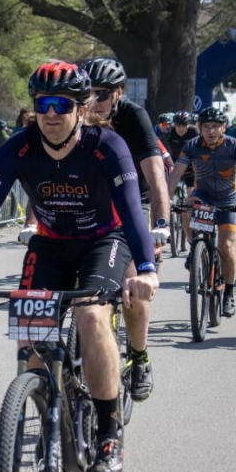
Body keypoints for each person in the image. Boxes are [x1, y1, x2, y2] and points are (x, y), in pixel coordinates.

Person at [0, 61, 158, 472]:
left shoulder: (107, 145)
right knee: (31, 340)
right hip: (50, 244)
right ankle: (42, 408)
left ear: (82, 107)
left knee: (91, 317)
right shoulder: (18, 148)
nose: (51, 114)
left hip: (104, 242)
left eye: (62, 105)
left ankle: (109, 429)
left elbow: (131, 211)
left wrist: (145, 267)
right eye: (42, 104)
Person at [81, 56, 170, 404]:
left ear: (118, 93)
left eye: (101, 95)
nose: (92, 102)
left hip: (134, 198)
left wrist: (160, 226)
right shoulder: (78, 113)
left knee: (134, 279)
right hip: (91, 200)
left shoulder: (133, 117)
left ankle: (139, 356)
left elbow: (156, 175)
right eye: (86, 93)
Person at [166, 107, 236, 317]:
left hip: (229, 199)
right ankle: (194, 248)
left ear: (223, 127)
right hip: (203, 196)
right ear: (199, 128)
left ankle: (229, 293)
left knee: (226, 245)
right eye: (206, 126)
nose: (210, 131)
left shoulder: (234, 145)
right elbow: (175, 174)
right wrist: (167, 198)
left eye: (215, 126)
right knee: (186, 207)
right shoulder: (192, 146)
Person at [164, 111, 199, 197]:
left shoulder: (194, 131)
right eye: (178, 126)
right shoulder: (170, 132)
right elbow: (163, 146)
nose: (181, 129)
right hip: (174, 161)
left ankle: (191, 204)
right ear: (174, 125)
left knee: (191, 185)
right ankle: (168, 202)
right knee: (168, 184)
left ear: (188, 125)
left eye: (184, 126)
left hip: (190, 162)